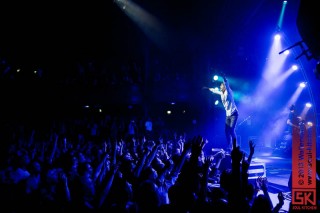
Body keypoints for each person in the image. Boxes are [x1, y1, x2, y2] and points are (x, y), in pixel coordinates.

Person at [203, 73, 239, 152]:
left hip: (234, 113)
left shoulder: (228, 92)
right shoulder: (221, 93)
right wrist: (208, 88)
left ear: (225, 87)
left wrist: (224, 77)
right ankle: (229, 146)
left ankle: (235, 146)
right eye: (220, 86)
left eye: (221, 86)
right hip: (228, 115)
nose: (220, 87)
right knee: (226, 130)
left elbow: (226, 82)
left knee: (231, 130)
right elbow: (215, 91)